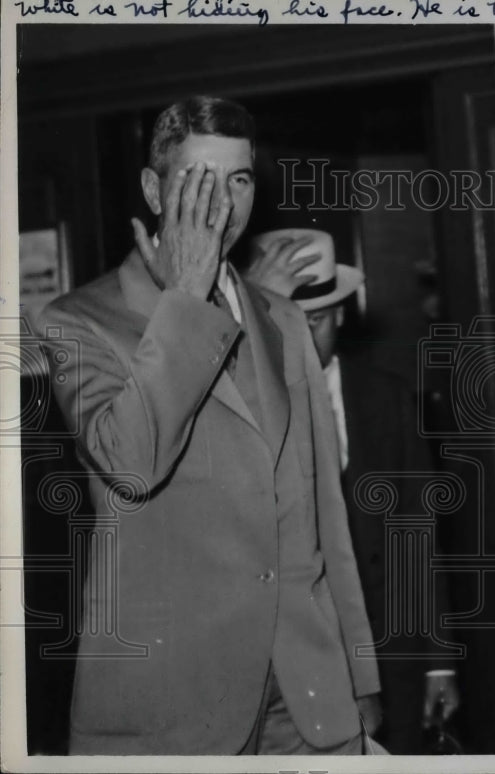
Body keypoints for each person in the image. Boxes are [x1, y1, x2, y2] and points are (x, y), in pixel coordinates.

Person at [38, 96, 383, 755]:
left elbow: (321, 518)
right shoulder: (76, 320)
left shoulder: (282, 319)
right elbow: (131, 465)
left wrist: (358, 671)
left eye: (240, 179)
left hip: (307, 699)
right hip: (176, 710)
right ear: (153, 188)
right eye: (200, 179)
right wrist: (186, 299)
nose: (223, 203)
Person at [247, 232, 461, 754]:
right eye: (281, 322)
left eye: (313, 321)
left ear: (340, 314)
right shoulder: (244, 411)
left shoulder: (387, 399)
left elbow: (419, 536)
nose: (297, 338)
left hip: (395, 658)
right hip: (292, 669)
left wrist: (437, 659)